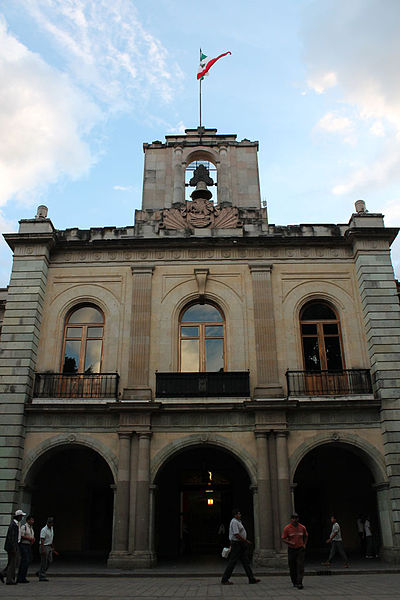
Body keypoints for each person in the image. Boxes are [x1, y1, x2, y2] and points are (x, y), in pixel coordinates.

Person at [220, 509, 260, 585]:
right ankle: (225, 579)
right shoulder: (234, 522)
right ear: (235, 515)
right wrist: (246, 541)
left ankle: (251, 578)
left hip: (240, 544)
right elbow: (236, 534)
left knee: (245, 561)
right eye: (238, 514)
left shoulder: (238, 522)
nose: (240, 515)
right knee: (232, 562)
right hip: (237, 544)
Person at [282, 512, 308, 590]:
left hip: (300, 549)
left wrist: (304, 544)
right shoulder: (287, 528)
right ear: (291, 519)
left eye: (296, 518)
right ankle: (294, 582)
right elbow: (283, 538)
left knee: (300, 566)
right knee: (292, 566)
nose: (294, 520)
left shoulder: (302, 527)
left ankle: (299, 582)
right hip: (292, 549)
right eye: (293, 518)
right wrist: (290, 542)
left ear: (298, 519)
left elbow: (306, 536)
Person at [0, 509, 26, 585]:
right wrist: (14, 548)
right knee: (12, 563)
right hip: (12, 547)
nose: (22, 518)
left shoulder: (17, 524)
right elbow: (12, 538)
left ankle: (4, 573)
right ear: (18, 516)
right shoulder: (13, 525)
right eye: (21, 516)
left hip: (15, 545)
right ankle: (9, 579)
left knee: (13, 562)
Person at [37, 517, 57, 582]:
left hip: (49, 546)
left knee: (50, 560)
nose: (51, 524)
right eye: (50, 523)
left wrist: (53, 548)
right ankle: (42, 576)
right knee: (44, 562)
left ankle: (40, 572)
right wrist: (42, 549)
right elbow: (42, 540)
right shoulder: (44, 530)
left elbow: (51, 539)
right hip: (44, 546)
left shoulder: (51, 529)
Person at [17, 515, 35, 583]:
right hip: (24, 545)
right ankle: (20, 577)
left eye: (33, 520)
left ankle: (23, 577)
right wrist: (29, 538)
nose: (32, 521)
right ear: (28, 520)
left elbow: (31, 535)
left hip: (28, 545)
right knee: (25, 560)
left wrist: (33, 539)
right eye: (31, 520)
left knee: (28, 560)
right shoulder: (24, 527)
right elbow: (21, 536)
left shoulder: (31, 527)